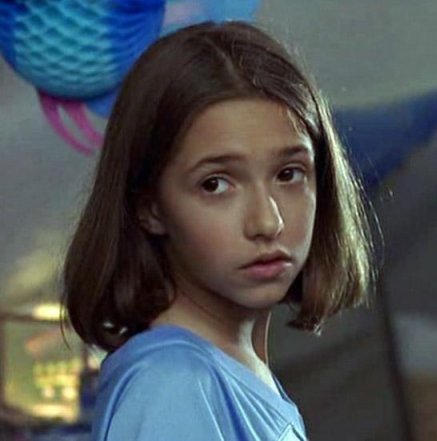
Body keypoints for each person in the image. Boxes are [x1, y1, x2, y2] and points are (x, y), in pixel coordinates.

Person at [60, 20, 377, 440]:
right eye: (215, 184)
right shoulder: (172, 388)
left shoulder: (228, 372)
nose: (268, 222)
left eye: (288, 174)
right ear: (149, 206)